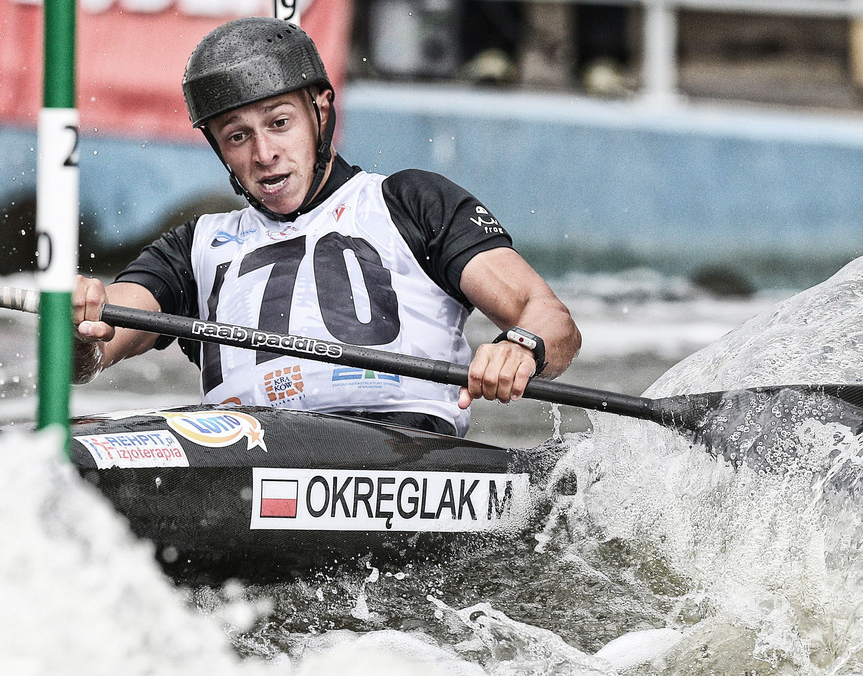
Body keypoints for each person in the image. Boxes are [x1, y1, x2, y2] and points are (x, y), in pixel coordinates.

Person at [71, 16, 580, 438]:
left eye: (279, 123)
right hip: (243, 449)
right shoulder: (193, 247)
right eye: (237, 136)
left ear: (320, 111)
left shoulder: (408, 201)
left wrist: (521, 347)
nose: (264, 154)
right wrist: (79, 326)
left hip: (402, 452)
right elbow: (97, 347)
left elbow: (553, 322)